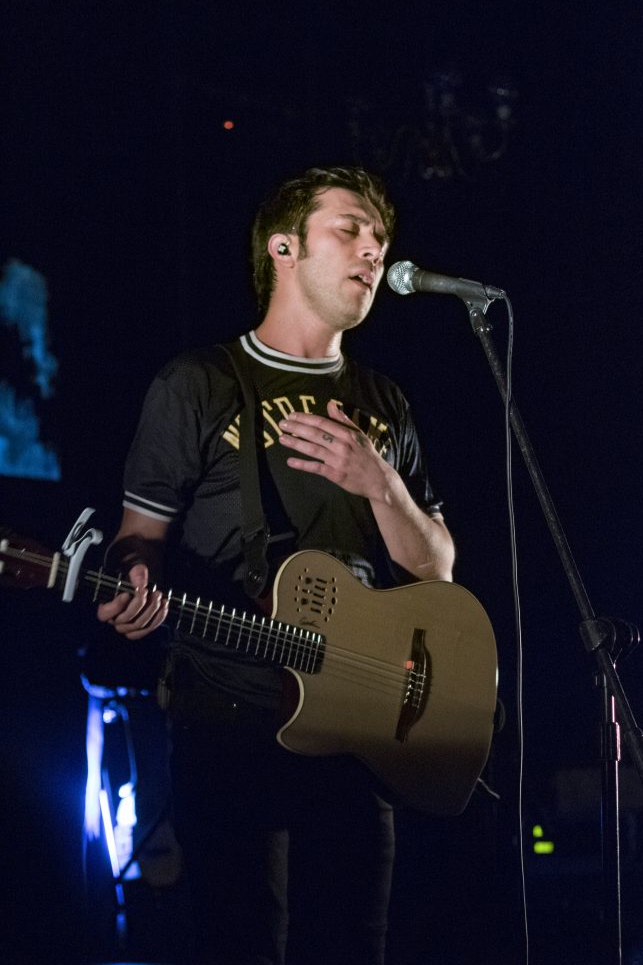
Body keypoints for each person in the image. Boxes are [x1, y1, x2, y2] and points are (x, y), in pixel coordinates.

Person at [97, 166, 455, 965]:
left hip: (356, 725)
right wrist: (134, 578)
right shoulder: (198, 383)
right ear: (283, 248)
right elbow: (137, 537)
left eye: (380, 237)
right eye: (350, 229)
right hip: (225, 715)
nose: (373, 249)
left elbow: (436, 568)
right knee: (239, 944)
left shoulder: (383, 400)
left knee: (352, 946)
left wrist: (382, 486)